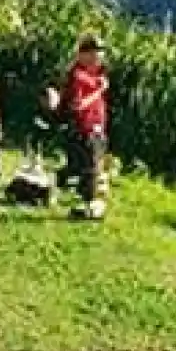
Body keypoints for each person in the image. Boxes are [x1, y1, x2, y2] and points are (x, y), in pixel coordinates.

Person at [62, 35, 111, 221]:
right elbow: (77, 105)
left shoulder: (96, 75)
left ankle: (91, 205)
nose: (97, 57)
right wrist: (99, 91)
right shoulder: (78, 76)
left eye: (99, 53)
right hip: (85, 128)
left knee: (96, 167)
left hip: (97, 128)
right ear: (82, 55)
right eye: (93, 53)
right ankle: (90, 206)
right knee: (90, 167)